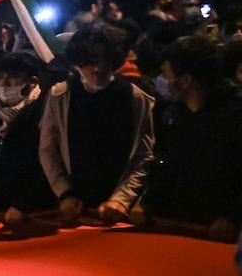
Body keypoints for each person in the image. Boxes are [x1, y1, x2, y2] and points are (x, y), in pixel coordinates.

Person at [39, 28, 154, 223]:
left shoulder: (135, 98)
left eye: (104, 60)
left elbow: (143, 154)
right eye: (90, 61)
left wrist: (122, 199)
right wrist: (65, 193)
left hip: (121, 207)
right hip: (75, 206)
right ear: (77, 62)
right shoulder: (60, 95)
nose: (97, 68)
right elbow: (48, 149)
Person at [137, 36, 242, 241]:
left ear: (185, 80)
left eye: (166, 74)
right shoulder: (172, 115)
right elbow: (165, 163)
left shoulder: (235, 114)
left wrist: (233, 217)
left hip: (227, 233)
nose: (163, 80)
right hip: (182, 226)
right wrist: (148, 202)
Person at [0, 52, 54, 223]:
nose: (5, 83)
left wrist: (22, 204)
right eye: (1, 77)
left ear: (32, 82)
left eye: (14, 77)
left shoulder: (46, 112)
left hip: (33, 212)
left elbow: (50, 164)